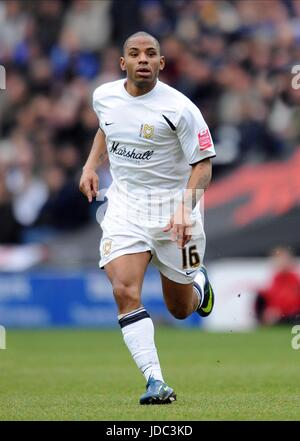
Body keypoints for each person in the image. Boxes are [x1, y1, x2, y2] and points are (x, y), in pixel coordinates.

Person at [79, 31, 216, 405]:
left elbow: (203, 166)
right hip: (124, 208)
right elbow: (107, 128)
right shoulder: (103, 96)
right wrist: (91, 165)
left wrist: (186, 209)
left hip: (175, 212)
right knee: (124, 290)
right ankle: (156, 380)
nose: (143, 58)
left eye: (151, 54)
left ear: (161, 64)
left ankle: (198, 284)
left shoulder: (180, 108)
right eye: (135, 53)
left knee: (180, 309)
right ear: (123, 63)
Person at [255, 247, 300, 325]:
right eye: (279, 260)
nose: (282, 263)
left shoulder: (296, 283)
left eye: (284, 260)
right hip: (277, 319)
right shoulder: (271, 285)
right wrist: (266, 314)